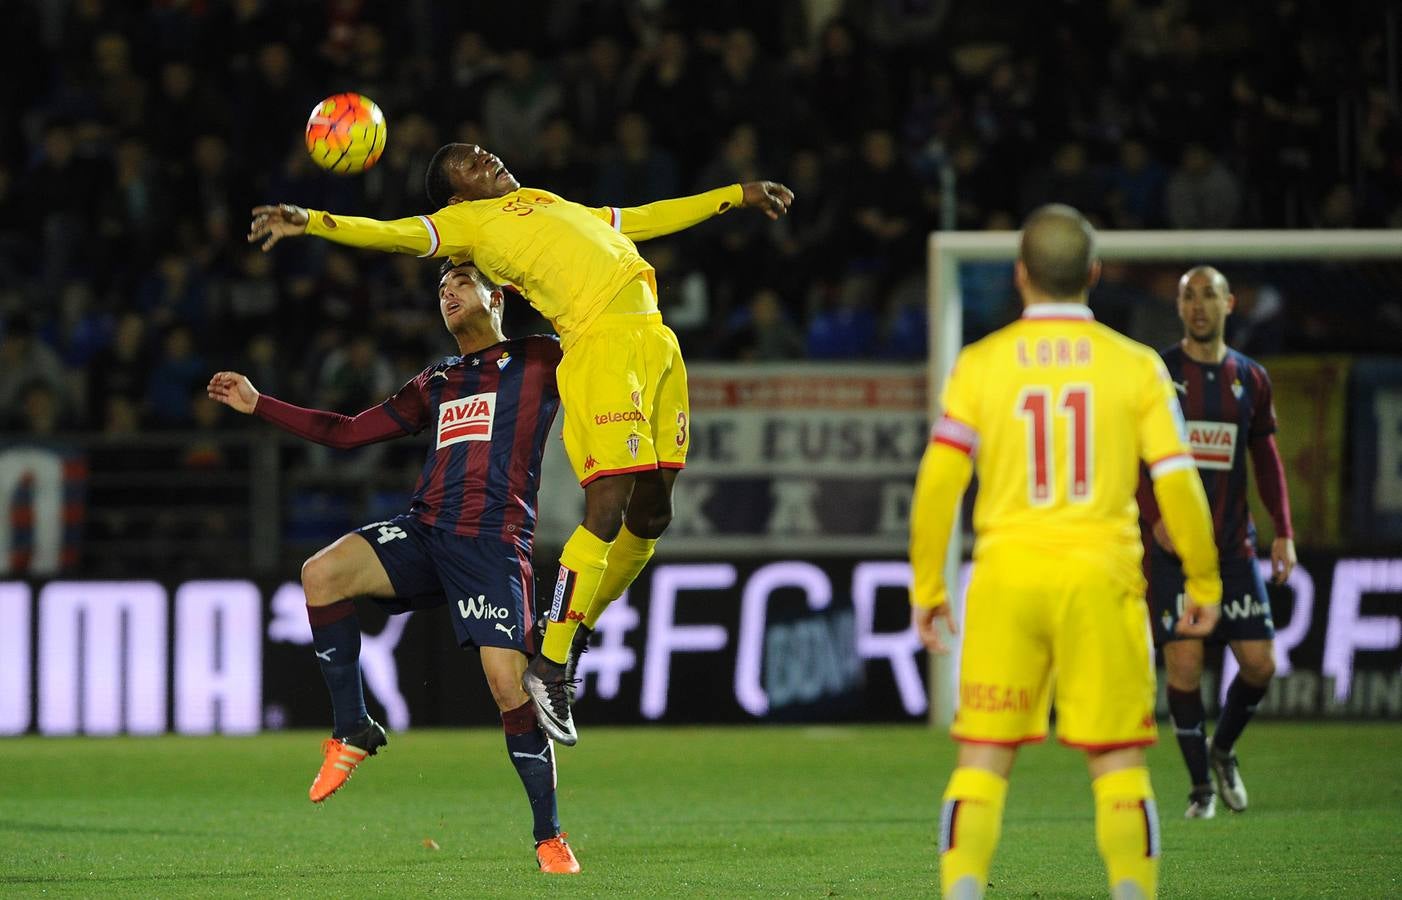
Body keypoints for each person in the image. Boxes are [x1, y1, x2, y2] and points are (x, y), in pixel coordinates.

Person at [248, 144, 793, 746]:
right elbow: (395, 234)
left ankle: (572, 635)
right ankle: (551, 665)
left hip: (655, 341)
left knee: (654, 511)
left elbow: (639, 218)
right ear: (458, 198)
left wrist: (732, 197)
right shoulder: (471, 225)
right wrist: (314, 222)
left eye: (484, 152)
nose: (487, 159)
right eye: (472, 164)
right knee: (607, 504)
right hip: (598, 345)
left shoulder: (547, 203)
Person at [206, 262, 580, 875]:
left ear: (498, 294)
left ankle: (550, 837)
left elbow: (602, 356)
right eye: (441, 288)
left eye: (461, 281)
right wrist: (257, 404)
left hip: (492, 543)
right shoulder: (435, 380)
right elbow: (347, 433)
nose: (449, 293)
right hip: (426, 530)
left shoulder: (543, 358)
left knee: (507, 687)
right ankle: (353, 728)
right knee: (321, 574)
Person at [907, 204, 1223, 900]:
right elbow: (1179, 483)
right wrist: (1203, 578)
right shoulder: (1137, 367)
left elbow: (938, 481)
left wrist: (927, 585)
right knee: (1117, 762)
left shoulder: (980, 363)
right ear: (1095, 274)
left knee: (983, 759)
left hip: (1007, 578)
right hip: (1100, 580)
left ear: (1021, 276)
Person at [1137, 265, 1296, 820]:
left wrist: (1284, 531)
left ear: (1230, 305)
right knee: (1182, 671)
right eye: (1188, 296)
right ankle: (1200, 788)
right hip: (1174, 552)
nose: (1198, 305)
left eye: (1209, 295)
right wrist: (1153, 514)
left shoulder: (1250, 378)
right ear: (1178, 307)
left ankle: (1223, 750)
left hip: (1233, 548)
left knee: (1259, 665)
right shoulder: (1158, 372)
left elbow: (1266, 457)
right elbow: (1136, 453)